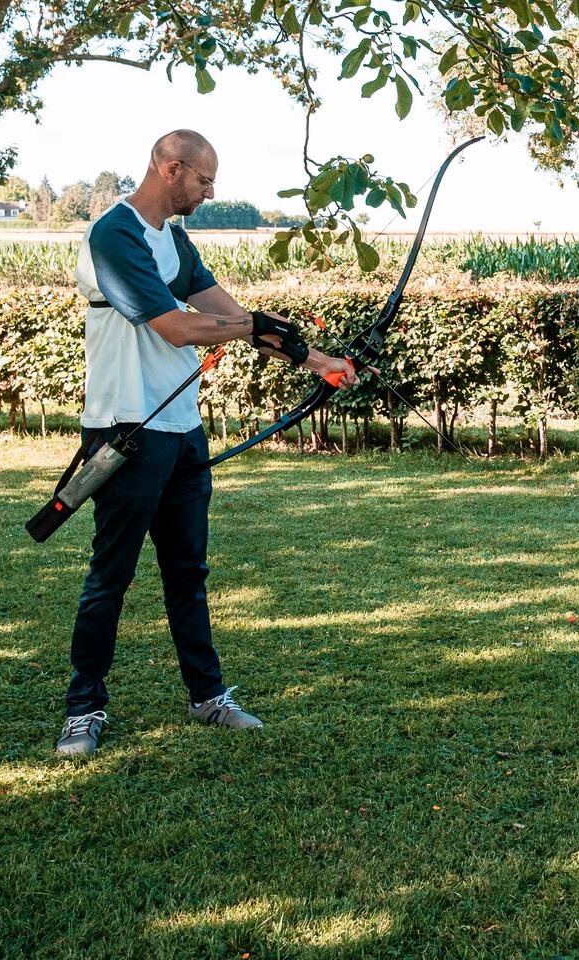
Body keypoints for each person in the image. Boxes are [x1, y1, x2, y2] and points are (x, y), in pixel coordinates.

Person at [54, 129, 359, 758]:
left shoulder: (175, 239)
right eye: (203, 180)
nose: (210, 191)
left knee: (187, 573)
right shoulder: (116, 235)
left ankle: (207, 696)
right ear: (171, 169)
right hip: (126, 429)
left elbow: (228, 311)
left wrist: (319, 360)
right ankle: (83, 710)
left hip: (182, 434)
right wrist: (249, 324)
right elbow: (177, 328)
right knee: (111, 576)